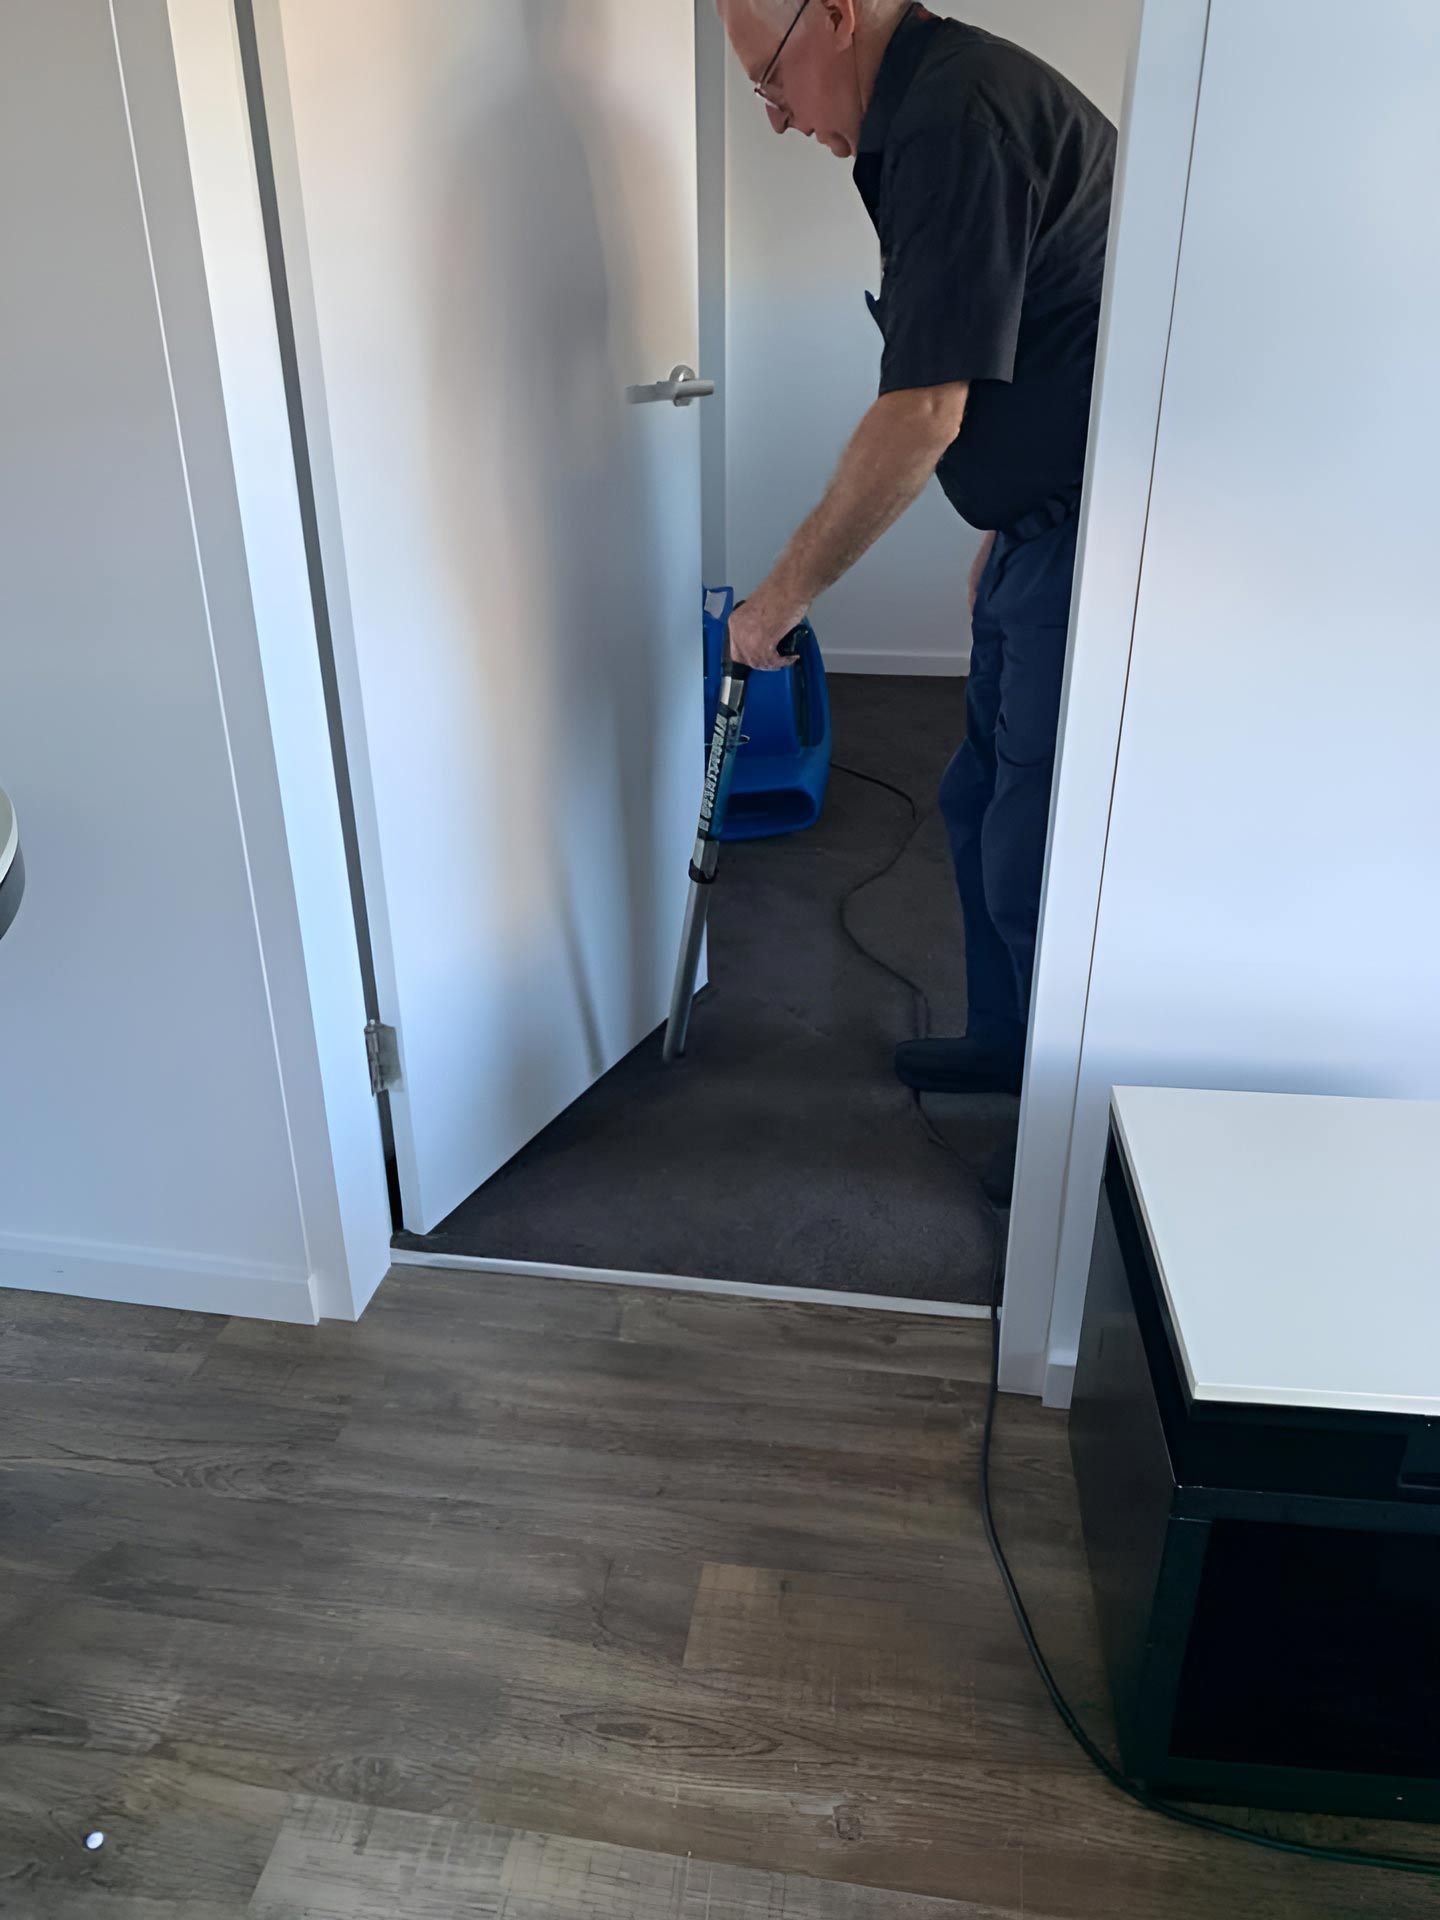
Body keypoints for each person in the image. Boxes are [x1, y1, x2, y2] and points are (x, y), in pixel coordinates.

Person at [717, 0, 1115, 1095]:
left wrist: (778, 600)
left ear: (835, 15)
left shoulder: (957, 117)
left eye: (769, 80)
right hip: (1044, 527)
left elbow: (923, 408)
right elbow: (1032, 339)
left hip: (1091, 534)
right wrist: (1007, 519)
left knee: (1033, 844)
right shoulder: (937, 110)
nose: (779, 120)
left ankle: (1053, 1144)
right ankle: (1003, 1049)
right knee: (977, 795)